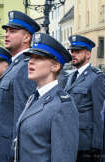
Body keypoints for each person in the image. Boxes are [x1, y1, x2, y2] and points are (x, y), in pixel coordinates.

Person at [14, 32, 79, 162]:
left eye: (38, 58)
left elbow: (63, 157)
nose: (31, 62)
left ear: (55, 66)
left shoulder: (63, 106)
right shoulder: (34, 97)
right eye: (30, 57)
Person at [0, 10, 40, 162]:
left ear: (26, 37)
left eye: (12, 31)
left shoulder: (25, 67)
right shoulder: (14, 65)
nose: (6, 35)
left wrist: (16, 153)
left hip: (10, 151)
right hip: (0, 145)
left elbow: (23, 116)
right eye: (6, 31)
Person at [64, 35, 105, 162]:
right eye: (72, 51)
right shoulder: (71, 77)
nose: (73, 54)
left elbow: (101, 113)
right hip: (71, 140)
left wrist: (97, 146)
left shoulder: (97, 78)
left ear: (88, 54)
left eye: (77, 52)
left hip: (87, 145)